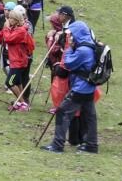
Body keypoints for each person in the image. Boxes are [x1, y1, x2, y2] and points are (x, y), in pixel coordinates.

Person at [42, 20, 99, 153]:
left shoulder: (83, 50)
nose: (70, 37)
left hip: (80, 88)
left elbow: (68, 63)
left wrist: (68, 49)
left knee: (62, 112)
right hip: (89, 87)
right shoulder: (90, 45)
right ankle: (91, 145)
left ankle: (57, 145)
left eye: (72, 34)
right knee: (90, 116)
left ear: (78, 33)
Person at [1, 9, 35, 112]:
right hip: (15, 60)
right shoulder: (15, 28)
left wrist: (6, 28)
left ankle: (22, 103)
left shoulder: (21, 31)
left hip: (18, 61)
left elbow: (8, 39)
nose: (9, 20)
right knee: (18, 82)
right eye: (9, 18)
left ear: (16, 20)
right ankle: (21, 102)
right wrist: (6, 28)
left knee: (10, 82)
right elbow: (3, 37)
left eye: (11, 18)